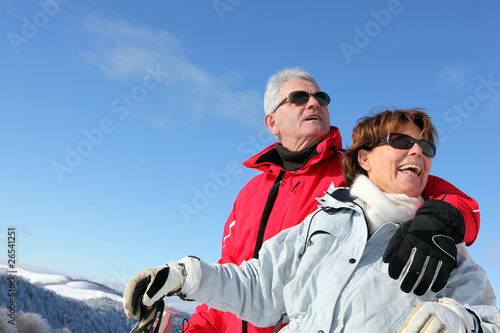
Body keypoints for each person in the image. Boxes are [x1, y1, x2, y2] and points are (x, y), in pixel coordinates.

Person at [124, 109, 500, 333]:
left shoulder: (438, 246)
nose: (418, 149)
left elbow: (488, 319)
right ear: (365, 159)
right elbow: (259, 286)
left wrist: (457, 321)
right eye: (401, 141)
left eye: (426, 147)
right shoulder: (324, 222)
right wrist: (185, 276)